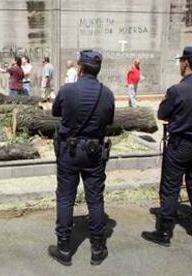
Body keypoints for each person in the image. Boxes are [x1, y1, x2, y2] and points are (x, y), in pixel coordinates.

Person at [142, 46, 192, 247]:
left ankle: (164, 233)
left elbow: (162, 114)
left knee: (170, 187)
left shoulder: (177, 89)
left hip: (180, 144)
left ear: (186, 63)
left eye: (181, 61)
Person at [49, 50, 115, 266]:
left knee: (66, 197)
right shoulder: (107, 93)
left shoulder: (68, 90)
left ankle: (64, 248)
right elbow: (109, 120)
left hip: (69, 150)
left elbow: (55, 112)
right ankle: (97, 248)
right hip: (95, 152)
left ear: (81, 68)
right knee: (95, 198)